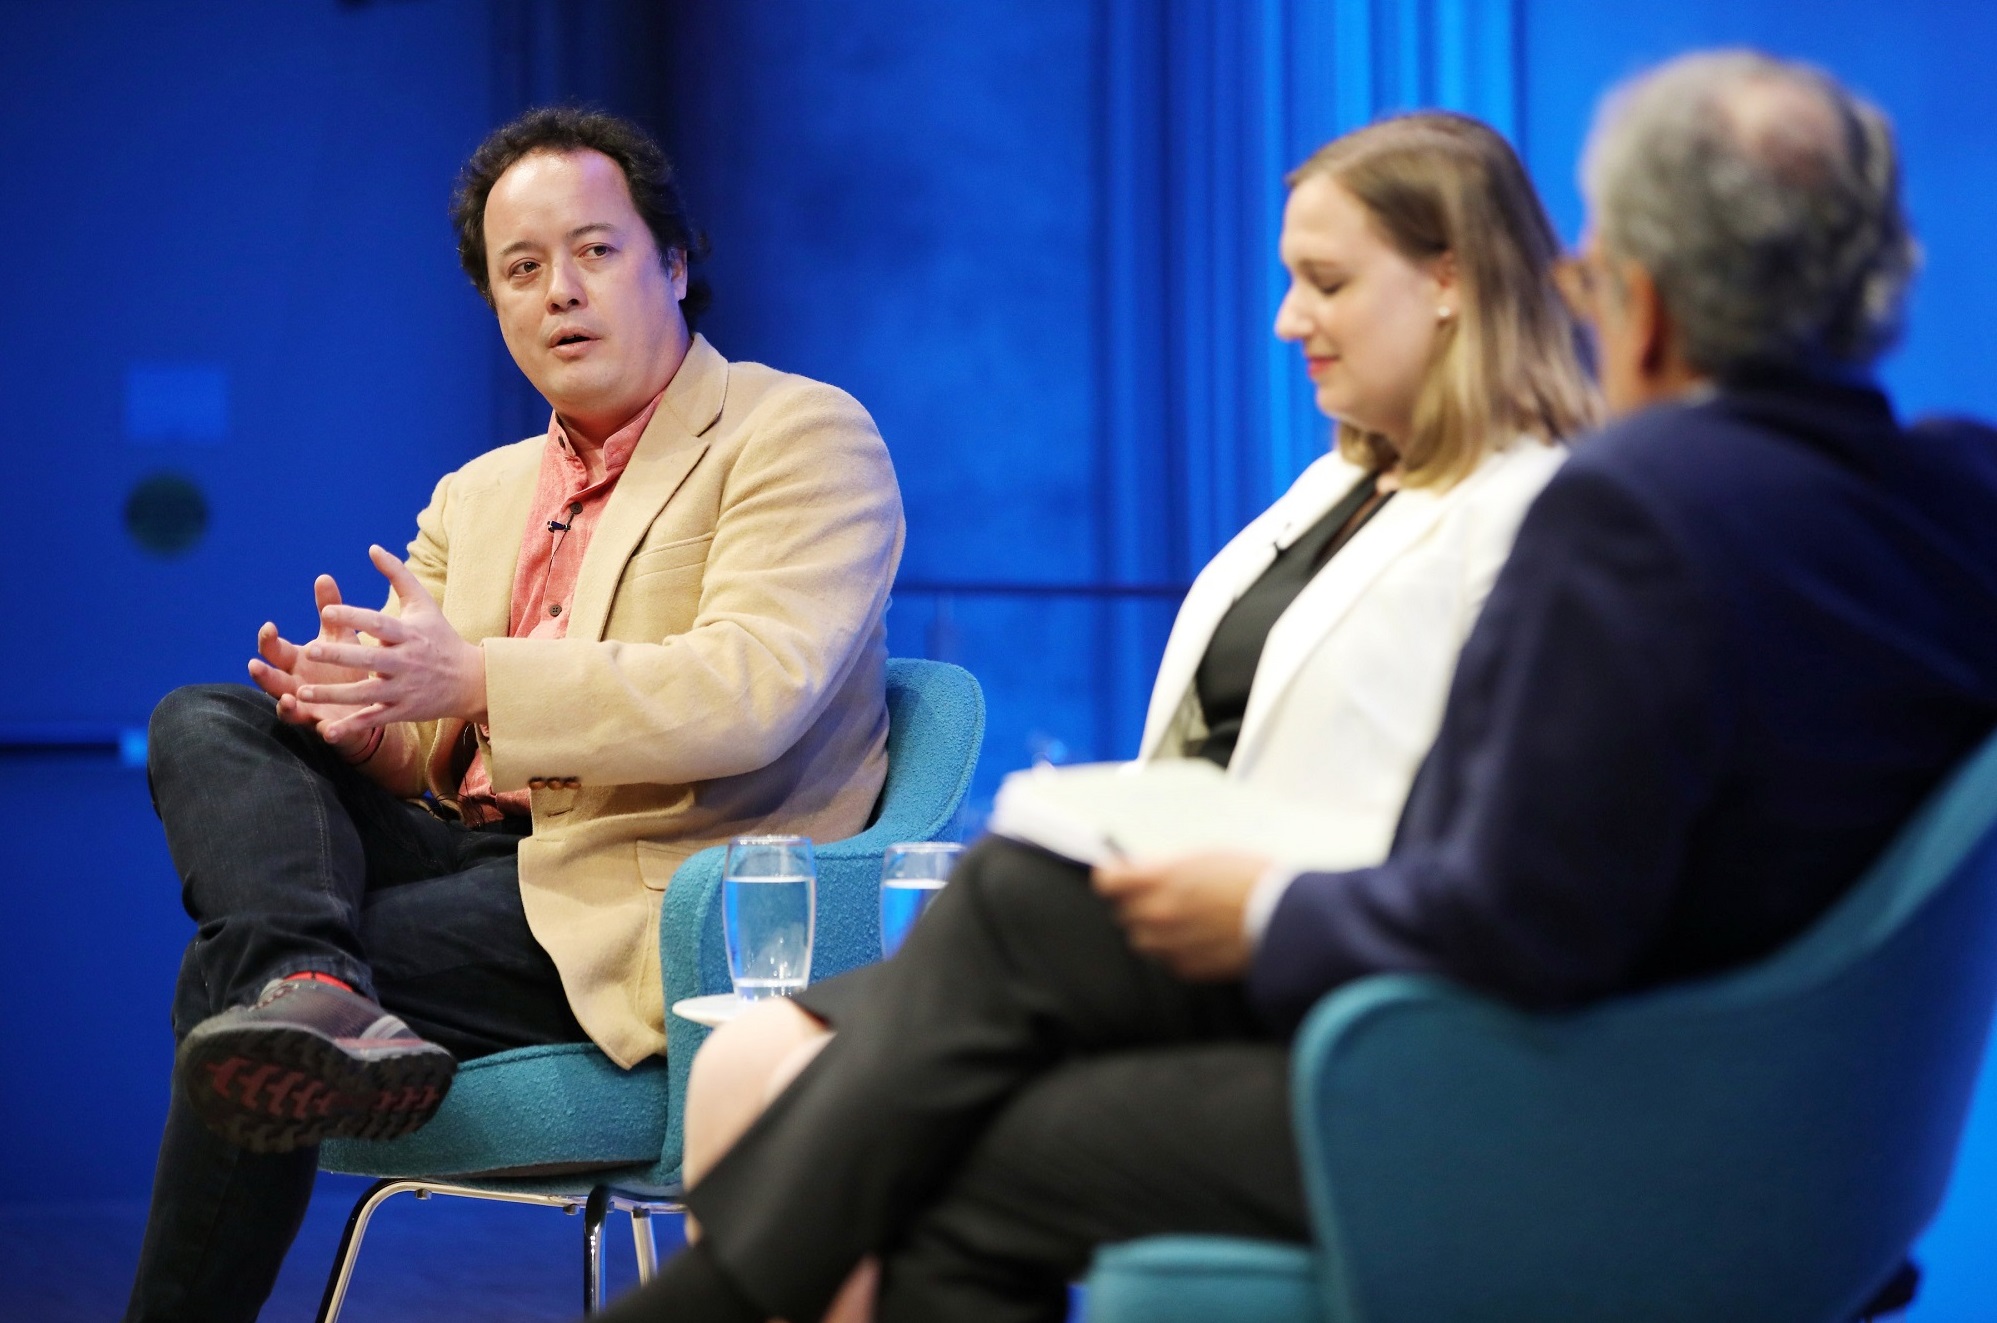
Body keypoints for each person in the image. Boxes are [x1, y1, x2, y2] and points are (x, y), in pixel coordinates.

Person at [599, 50, 1997, 1323]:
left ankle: (716, 1295)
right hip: (1800, 1123)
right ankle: (721, 1294)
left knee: (980, 1137)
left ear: (1635, 294)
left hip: (1565, 1103)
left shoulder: (1628, 506)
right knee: (1026, 905)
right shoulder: (1956, 496)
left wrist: (1263, 910)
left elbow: (1525, 924)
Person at [679, 109, 1594, 1318]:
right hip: (1135, 924)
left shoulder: (1537, 514)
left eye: (1323, 282)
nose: (1284, 320)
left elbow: (1455, 836)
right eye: (1285, 279)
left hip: (1273, 970)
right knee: (751, 1057)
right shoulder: (1332, 485)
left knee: (858, 1066)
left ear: (1449, 282)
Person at [122, 108, 903, 1323]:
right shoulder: (477, 492)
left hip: (649, 893)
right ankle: (308, 981)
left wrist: (476, 676)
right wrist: (364, 720)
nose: (558, 294)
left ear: (676, 264)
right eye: (520, 270)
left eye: (594, 252)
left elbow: (753, 688)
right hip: (487, 860)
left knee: (226, 995)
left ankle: (290, 992)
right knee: (208, 716)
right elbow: (429, 759)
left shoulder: (797, 433)